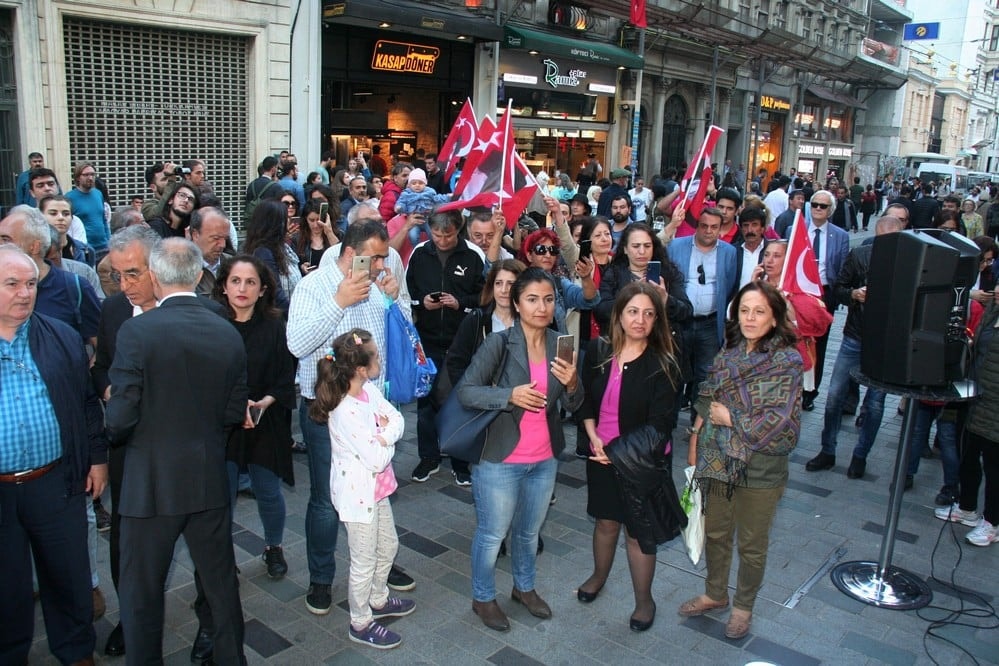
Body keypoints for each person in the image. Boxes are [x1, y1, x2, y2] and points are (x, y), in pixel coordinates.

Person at [106, 238, 248, 664]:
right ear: (198, 275)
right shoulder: (227, 329)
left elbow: (118, 421)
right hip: (207, 478)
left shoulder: (136, 331)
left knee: (141, 594)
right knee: (221, 588)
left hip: (149, 485)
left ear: (154, 276)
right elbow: (232, 410)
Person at [287, 219, 414, 617]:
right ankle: (321, 579)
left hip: (371, 408)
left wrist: (396, 301)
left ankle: (378, 570)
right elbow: (297, 345)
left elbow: (403, 337)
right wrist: (339, 302)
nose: (381, 264)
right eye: (375, 257)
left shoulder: (381, 281)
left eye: (383, 257)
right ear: (351, 252)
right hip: (326, 413)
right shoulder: (315, 285)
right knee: (326, 501)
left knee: (377, 493)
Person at [457, 268, 584, 632]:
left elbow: (576, 404)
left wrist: (573, 383)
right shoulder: (499, 343)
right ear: (516, 303)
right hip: (499, 459)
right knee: (493, 533)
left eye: (548, 299)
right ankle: (483, 597)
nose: (541, 307)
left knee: (529, 532)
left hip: (544, 457)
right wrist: (508, 395)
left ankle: (524, 589)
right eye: (532, 299)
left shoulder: (562, 343)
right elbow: (466, 391)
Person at [0, 245, 108, 666]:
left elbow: (85, 404)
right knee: (7, 588)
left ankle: (77, 652)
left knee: (68, 577)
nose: (24, 293)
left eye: (30, 284)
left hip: (55, 481)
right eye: (12, 284)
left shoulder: (60, 335)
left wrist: (97, 459)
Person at [679, 281, 802, 640]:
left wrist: (731, 417)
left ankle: (744, 606)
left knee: (751, 543)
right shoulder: (730, 352)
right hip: (718, 459)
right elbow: (707, 396)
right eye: (745, 310)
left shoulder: (788, 361)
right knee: (717, 532)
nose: (750, 318)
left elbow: (777, 419)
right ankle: (715, 593)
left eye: (759, 311)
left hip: (762, 465)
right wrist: (696, 437)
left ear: (775, 318)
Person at [577, 281, 685, 632]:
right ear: (619, 315)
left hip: (641, 461)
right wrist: (592, 435)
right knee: (606, 521)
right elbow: (586, 402)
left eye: (649, 314)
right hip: (600, 453)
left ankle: (644, 601)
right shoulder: (597, 350)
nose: (640, 320)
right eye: (633, 312)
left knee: (639, 533)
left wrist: (615, 453)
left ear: (657, 320)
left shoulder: (663, 362)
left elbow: (661, 426)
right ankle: (598, 576)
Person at [309, 329, 416, 649]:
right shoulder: (344, 410)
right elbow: (375, 457)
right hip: (359, 496)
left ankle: (379, 599)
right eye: (377, 357)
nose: (380, 360)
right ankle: (360, 620)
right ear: (360, 368)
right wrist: (386, 439)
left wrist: (385, 434)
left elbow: (396, 418)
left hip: (378, 490)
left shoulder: (368, 390)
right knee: (364, 560)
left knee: (389, 546)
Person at [213, 255, 297, 579]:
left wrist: (266, 401)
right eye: (236, 281)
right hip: (223, 425)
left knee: (268, 490)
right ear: (224, 285)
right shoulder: (213, 324)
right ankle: (221, 557)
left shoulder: (274, 326)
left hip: (266, 419)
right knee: (223, 495)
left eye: (251, 282)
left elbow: (284, 372)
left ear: (263, 290)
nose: (243, 288)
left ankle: (273, 546)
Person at [407, 211, 485, 485]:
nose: (441, 240)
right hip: (427, 338)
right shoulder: (419, 254)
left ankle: (460, 461)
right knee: (426, 401)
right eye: (437, 235)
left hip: (461, 341)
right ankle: (428, 456)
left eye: (447, 235)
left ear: (458, 231)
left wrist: (460, 303)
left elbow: (483, 296)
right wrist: (421, 302)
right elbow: (408, 294)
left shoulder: (472, 256)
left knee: (461, 400)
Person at [934, 282, 999, 547]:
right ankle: (967, 507)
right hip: (976, 397)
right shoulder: (992, 312)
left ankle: (992, 523)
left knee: (994, 466)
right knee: (969, 456)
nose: (995, 288)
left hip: (995, 407)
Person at [518, 227, 599, 333]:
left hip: (558, 347)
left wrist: (586, 278)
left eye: (553, 250)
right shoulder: (518, 283)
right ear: (529, 256)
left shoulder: (560, 284)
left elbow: (590, 300)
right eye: (541, 250)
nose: (548, 255)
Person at [242, 199, 302, 313]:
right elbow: (275, 294)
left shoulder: (284, 247)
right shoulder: (263, 253)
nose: (289, 223)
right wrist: (295, 316)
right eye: (286, 220)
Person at [395, 168, 451, 246]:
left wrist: (448, 197)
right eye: (414, 183)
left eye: (420, 183)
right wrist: (399, 208)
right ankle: (417, 249)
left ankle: (433, 247)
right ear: (409, 184)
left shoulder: (429, 192)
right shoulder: (406, 194)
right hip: (413, 220)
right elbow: (402, 202)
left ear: (425, 183)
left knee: (433, 234)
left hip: (427, 219)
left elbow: (438, 198)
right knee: (413, 236)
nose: (417, 185)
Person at [293, 199, 338, 275]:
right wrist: (302, 267)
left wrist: (329, 232)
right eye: (311, 220)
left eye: (318, 220)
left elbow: (340, 254)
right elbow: (294, 263)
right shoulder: (297, 239)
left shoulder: (338, 234)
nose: (316, 225)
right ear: (306, 220)